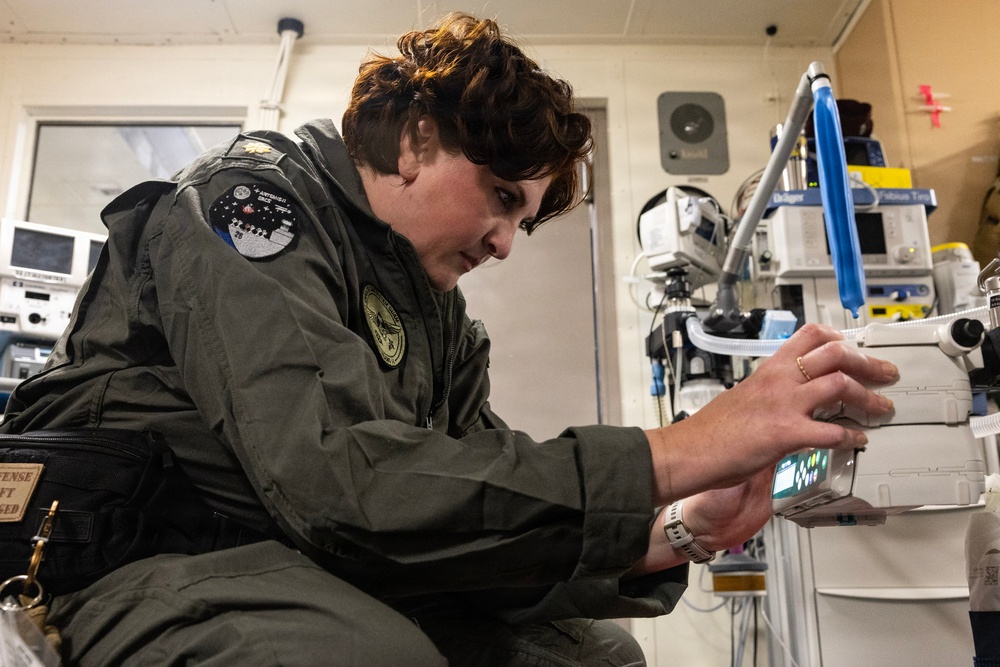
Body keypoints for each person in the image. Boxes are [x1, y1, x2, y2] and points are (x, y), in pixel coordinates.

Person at [0, 12, 896, 667]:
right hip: (136, 557)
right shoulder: (250, 209)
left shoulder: (441, 327)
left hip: (292, 560)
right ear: (417, 139)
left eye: (525, 219)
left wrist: (677, 531)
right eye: (504, 197)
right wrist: (685, 446)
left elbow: (475, 514)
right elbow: (341, 484)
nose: (507, 241)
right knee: (367, 656)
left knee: (595, 659)